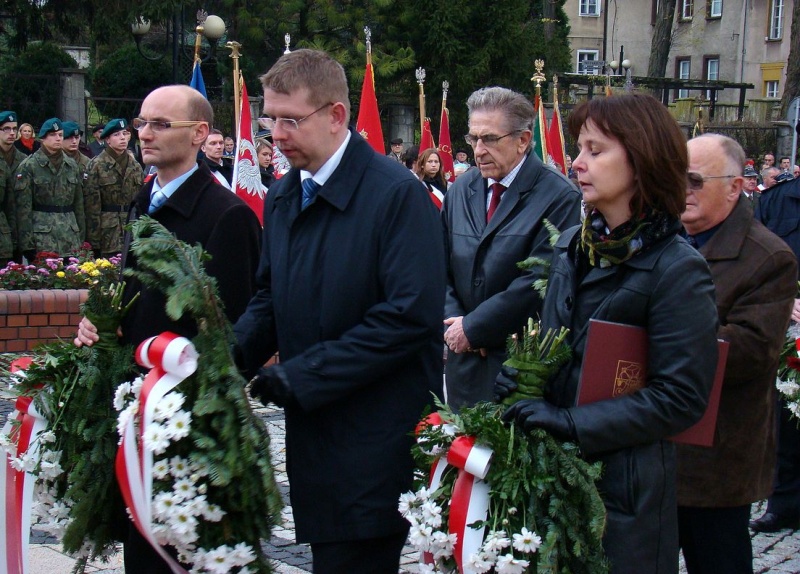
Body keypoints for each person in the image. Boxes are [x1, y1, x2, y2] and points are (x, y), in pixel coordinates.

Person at [232, 49, 445, 574]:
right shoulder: (284, 194)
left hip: (377, 435)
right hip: (317, 429)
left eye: (290, 120)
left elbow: (407, 318)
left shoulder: (396, 195)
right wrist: (222, 359)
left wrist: (302, 376)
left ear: (336, 116)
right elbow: (270, 297)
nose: (276, 134)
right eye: (269, 119)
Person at [496, 93, 719, 574]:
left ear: (641, 161)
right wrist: (520, 377)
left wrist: (573, 423)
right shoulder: (577, 246)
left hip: (624, 493)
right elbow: (557, 343)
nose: (577, 163)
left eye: (595, 151)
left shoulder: (678, 268)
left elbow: (681, 398)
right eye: (579, 149)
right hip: (554, 480)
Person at [74, 84, 261, 573]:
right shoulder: (145, 198)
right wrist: (102, 322)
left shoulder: (227, 215)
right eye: (141, 123)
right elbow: (133, 291)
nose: (145, 134)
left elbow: (236, 332)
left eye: (161, 124)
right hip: (136, 404)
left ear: (200, 134)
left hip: (188, 420)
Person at [676, 134, 797, 574]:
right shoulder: (663, 241)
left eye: (693, 181)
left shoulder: (768, 256)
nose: (681, 191)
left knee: (717, 559)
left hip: (717, 453)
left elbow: (751, 351)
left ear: (735, 186)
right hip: (655, 440)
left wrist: (665, 340)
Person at [442, 86, 581, 409]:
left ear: (522, 140)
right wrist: (455, 324)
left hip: (518, 367)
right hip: (463, 363)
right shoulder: (462, 189)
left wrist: (476, 328)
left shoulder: (558, 195)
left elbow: (539, 280)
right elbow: (438, 265)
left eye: (490, 138)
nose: (478, 150)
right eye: (473, 138)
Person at [751, 156, 800, 535]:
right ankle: (784, 500)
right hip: (790, 327)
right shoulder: (777, 201)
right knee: (787, 416)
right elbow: (757, 259)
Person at [15, 117, 85, 260]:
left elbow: (78, 205)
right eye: (52, 135)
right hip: (42, 237)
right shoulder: (30, 165)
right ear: (43, 138)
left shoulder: (71, 165)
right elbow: (23, 208)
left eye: (60, 135)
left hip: (70, 235)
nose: (58, 138)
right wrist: (27, 244)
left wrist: (81, 237)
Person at [83, 118, 144, 257]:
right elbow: (92, 207)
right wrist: (94, 241)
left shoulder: (135, 166)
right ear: (107, 140)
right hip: (107, 232)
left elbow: (141, 200)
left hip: (132, 229)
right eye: (116, 135)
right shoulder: (96, 165)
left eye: (124, 133)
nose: (122, 138)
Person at [0, 111, 27, 266]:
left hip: (18, 229)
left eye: (14, 129)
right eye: (6, 129)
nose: (11, 133)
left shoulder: (24, 161)